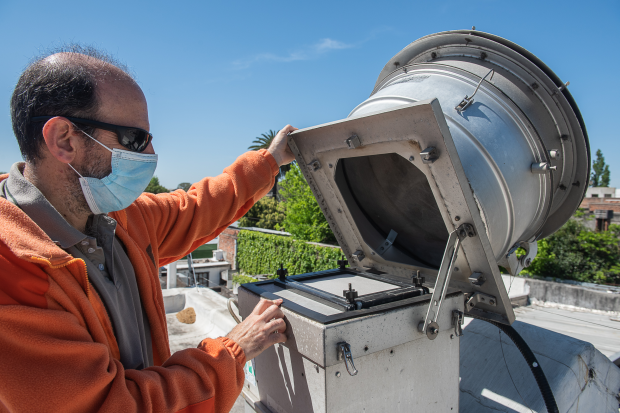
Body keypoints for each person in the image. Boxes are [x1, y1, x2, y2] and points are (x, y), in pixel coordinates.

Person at [0, 47, 296, 412]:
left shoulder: (118, 217)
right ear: (64, 140)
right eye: (135, 139)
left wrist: (270, 161)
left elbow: (198, 208)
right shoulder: (13, 274)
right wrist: (234, 349)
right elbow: (115, 405)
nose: (151, 152)